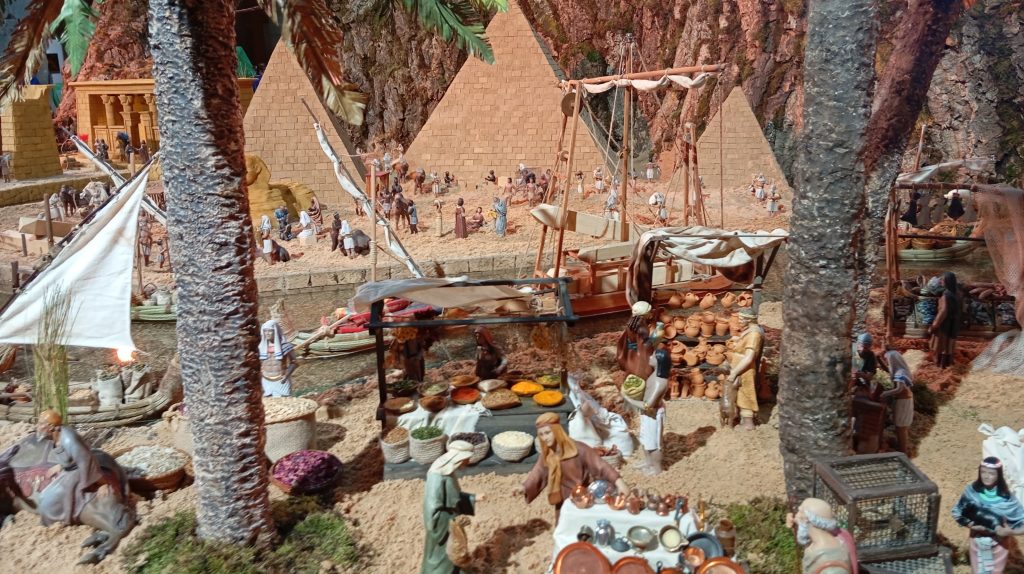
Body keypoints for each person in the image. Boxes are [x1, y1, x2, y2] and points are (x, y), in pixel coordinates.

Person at [522, 413, 629, 521]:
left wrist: (619, 482)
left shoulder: (579, 449)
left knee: (586, 523)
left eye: (547, 433)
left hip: (584, 495)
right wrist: (524, 488)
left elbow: (601, 466)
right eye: (541, 434)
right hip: (564, 498)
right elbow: (538, 473)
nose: (545, 438)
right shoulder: (547, 455)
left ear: (557, 431)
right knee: (564, 524)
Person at [951, 457, 1024, 573]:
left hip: (998, 545)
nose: (986, 476)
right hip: (977, 541)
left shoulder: (1007, 499)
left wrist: (1010, 532)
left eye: (991, 473)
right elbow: (957, 512)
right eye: (983, 472)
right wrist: (970, 525)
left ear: (999, 475)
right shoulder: (971, 492)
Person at [33, 410, 104, 527]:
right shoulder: (56, 437)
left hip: (79, 471)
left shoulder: (68, 440)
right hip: (70, 469)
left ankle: (64, 520)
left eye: (41, 424)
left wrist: (102, 483)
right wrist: (61, 465)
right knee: (44, 496)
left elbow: (86, 459)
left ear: (51, 427)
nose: (38, 427)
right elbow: (70, 457)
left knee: (49, 499)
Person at [422, 441, 476, 574]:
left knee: (457, 548)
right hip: (442, 525)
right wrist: (450, 522)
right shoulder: (437, 476)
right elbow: (433, 508)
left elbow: (452, 498)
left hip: (450, 519)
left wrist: (473, 498)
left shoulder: (448, 473)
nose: (468, 462)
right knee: (443, 554)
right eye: (467, 459)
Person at [621, 341, 670, 475]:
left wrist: (628, 398)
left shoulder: (660, 382)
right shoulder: (654, 375)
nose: (650, 357)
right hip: (647, 414)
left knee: (654, 444)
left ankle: (657, 469)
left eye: (653, 356)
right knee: (645, 440)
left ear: (659, 361)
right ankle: (648, 462)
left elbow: (648, 405)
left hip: (653, 414)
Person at [786, 498, 854, 574]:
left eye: (799, 511)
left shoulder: (831, 569)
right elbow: (804, 531)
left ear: (806, 519)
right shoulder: (838, 536)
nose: (796, 516)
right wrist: (795, 523)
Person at [726, 309, 764, 430]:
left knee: (745, 392)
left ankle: (748, 423)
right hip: (739, 364)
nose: (739, 321)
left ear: (749, 320)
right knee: (739, 392)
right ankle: (740, 416)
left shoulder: (754, 334)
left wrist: (735, 372)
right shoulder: (749, 331)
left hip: (745, 368)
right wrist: (738, 341)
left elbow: (749, 357)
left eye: (742, 319)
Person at [928, 271, 960, 368]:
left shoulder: (946, 295)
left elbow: (943, 311)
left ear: (947, 281)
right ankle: (947, 364)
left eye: (942, 280)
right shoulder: (956, 293)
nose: (941, 281)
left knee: (941, 344)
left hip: (944, 324)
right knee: (948, 344)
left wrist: (935, 325)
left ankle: (940, 365)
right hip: (953, 323)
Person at [616, 301, 655, 379]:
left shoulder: (632, 322)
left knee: (631, 365)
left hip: (630, 350)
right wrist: (653, 342)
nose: (651, 313)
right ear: (644, 315)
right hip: (639, 352)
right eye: (649, 312)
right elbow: (644, 344)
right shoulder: (642, 328)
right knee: (640, 370)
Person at [258, 319, 296, 396]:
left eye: (270, 331)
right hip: (266, 380)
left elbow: (294, 362)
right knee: (268, 402)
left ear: (275, 331)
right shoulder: (260, 347)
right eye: (265, 331)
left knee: (284, 401)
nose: (267, 333)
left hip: (281, 380)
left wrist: (287, 375)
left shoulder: (285, 346)